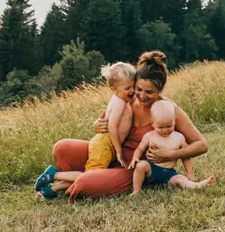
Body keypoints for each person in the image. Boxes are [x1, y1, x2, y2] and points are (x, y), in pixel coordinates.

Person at [33, 51, 209, 202]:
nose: (141, 96)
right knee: (62, 148)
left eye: (149, 92)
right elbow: (105, 123)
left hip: (131, 168)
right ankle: (83, 176)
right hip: (110, 154)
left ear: (160, 90)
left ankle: (65, 181)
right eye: (138, 89)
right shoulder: (126, 99)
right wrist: (98, 125)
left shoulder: (168, 110)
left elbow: (201, 145)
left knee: (86, 183)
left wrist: (171, 154)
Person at [34, 62, 136, 198]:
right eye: (128, 88)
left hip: (103, 143)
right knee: (90, 176)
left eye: (134, 87)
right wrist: (118, 151)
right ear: (114, 88)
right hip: (105, 145)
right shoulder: (120, 104)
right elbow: (111, 126)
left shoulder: (118, 99)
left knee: (90, 174)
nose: (132, 91)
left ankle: (52, 189)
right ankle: (54, 175)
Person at [128, 100, 215, 194]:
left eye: (169, 126)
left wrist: (189, 173)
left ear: (174, 120)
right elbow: (140, 149)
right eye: (160, 127)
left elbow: (185, 156)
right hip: (152, 169)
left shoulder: (179, 137)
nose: (165, 130)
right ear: (152, 123)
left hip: (169, 173)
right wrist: (135, 158)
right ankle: (136, 191)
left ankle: (198, 185)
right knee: (141, 165)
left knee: (181, 179)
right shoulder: (149, 136)